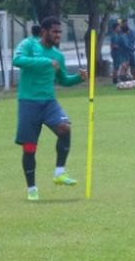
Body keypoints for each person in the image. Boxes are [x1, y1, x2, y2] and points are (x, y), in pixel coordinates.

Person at [13, 17, 88, 201]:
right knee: (29, 148)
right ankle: (31, 188)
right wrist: (45, 62)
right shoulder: (29, 44)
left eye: (60, 32)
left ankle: (59, 172)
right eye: (55, 31)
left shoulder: (58, 55)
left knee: (65, 127)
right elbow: (17, 60)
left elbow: (63, 80)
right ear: (44, 31)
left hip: (49, 103)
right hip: (28, 102)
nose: (58, 35)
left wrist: (79, 78)